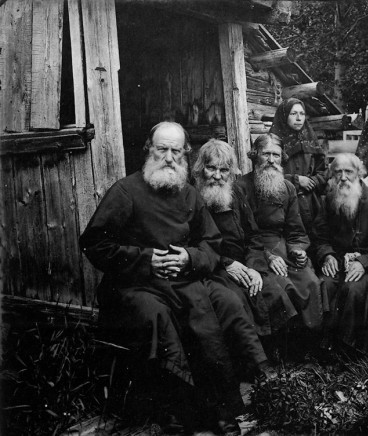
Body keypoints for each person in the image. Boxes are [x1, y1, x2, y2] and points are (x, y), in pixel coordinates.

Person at [79, 121, 250, 435]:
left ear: (185, 153)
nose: (169, 157)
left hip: (180, 280)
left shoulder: (190, 194)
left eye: (176, 151)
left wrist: (188, 258)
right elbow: (94, 244)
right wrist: (147, 260)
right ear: (149, 149)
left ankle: (219, 407)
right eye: (162, 149)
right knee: (157, 315)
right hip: (132, 284)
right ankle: (177, 412)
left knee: (211, 308)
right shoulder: (125, 191)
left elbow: (212, 244)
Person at [193, 139, 297, 339]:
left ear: (231, 172)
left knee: (273, 292)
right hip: (216, 267)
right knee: (238, 301)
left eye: (224, 170)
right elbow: (194, 243)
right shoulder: (193, 196)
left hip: (246, 263)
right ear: (200, 169)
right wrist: (227, 263)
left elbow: (253, 236)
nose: (217, 176)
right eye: (211, 168)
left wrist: (254, 267)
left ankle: (274, 352)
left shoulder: (236, 193)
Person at [237, 133, 327, 334]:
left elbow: (296, 230)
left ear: (282, 158)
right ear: (255, 155)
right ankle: (283, 346)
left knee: (310, 282)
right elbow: (241, 235)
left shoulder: (287, 187)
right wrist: (267, 257)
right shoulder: (241, 188)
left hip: (283, 248)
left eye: (276, 155)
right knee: (283, 287)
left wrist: (297, 250)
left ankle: (307, 343)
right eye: (266, 154)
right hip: (254, 253)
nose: (271, 160)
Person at [313, 153, 368, 350]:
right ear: (331, 175)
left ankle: (348, 349)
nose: (343, 177)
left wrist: (364, 262)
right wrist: (327, 255)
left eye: (348, 172)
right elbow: (319, 236)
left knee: (353, 289)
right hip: (337, 261)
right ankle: (324, 345)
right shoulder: (329, 199)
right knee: (324, 284)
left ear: (359, 173)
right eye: (338, 172)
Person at [269, 98, 327, 241]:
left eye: (302, 113)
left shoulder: (310, 140)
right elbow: (267, 175)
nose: (299, 118)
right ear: (284, 116)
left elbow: (323, 171)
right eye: (293, 113)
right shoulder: (272, 144)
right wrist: (296, 180)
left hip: (311, 201)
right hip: (283, 204)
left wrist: (313, 181)